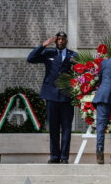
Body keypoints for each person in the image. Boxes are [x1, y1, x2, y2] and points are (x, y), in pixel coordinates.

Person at [26, 32, 77, 164]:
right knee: (53, 127)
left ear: (66, 41)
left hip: (67, 96)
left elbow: (82, 71)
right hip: (51, 95)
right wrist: (44, 44)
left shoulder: (73, 55)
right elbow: (30, 58)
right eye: (58, 39)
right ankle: (54, 156)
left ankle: (64, 157)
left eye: (63, 39)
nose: (60, 41)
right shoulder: (49, 54)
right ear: (55, 41)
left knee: (66, 128)